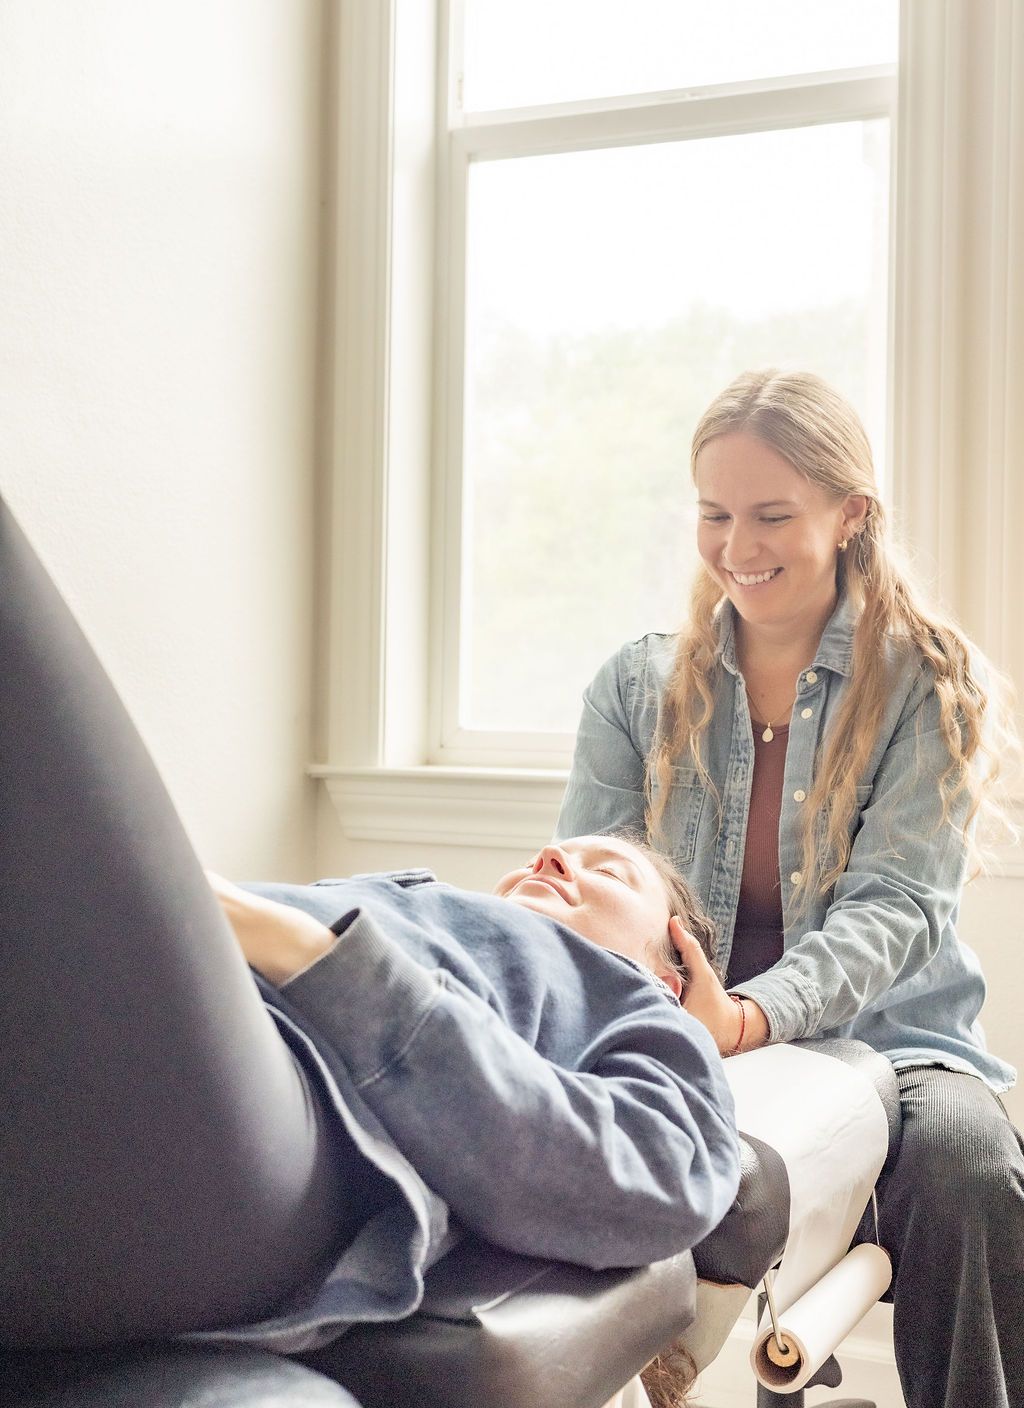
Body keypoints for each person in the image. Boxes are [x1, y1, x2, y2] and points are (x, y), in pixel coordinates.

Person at [0, 490, 739, 1365]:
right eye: (547, 853)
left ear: (671, 966)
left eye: (607, 869)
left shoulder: (636, 1014)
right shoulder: (423, 910)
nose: (556, 859)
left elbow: (656, 1182)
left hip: (264, 1141)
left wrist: (307, 953)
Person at [556, 366, 1024, 1408]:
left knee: (970, 1171)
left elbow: (897, 908)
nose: (737, 546)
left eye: (772, 513)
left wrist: (752, 1017)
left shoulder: (930, 681)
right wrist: (679, 1028)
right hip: (686, 1042)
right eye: (714, 513)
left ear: (850, 514)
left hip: (894, 1043)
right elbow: (591, 883)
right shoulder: (635, 688)